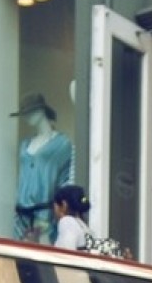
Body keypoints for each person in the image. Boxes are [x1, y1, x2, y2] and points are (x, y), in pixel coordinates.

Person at [12, 95, 75, 243]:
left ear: (41, 111)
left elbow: (66, 179)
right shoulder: (25, 145)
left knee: (41, 256)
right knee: (19, 255)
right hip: (21, 212)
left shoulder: (62, 144)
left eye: (31, 112)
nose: (27, 117)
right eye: (25, 114)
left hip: (44, 212)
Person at [50, 183, 94, 251]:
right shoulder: (83, 226)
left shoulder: (67, 222)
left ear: (64, 205)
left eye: (54, 206)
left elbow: (66, 253)